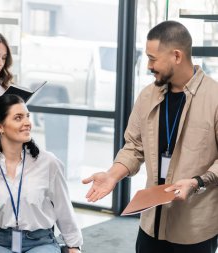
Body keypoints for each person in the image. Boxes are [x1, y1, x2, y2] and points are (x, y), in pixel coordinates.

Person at [82, 20, 218, 253]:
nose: (148, 65)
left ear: (177, 56)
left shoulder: (214, 98)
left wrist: (197, 182)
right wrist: (113, 175)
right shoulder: (148, 96)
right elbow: (134, 146)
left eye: (153, 58)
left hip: (194, 227)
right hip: (151, 223)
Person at [0, 94, 83, 253]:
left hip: (40, 243)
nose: (27, 123)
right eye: (18, 118)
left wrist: (74, 246)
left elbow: (63, 207)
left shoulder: (48, 162)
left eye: (27, 116)